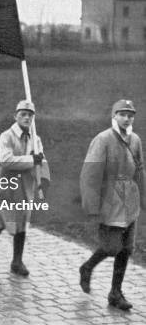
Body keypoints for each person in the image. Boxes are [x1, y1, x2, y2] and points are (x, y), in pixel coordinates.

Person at [79, 99, 146, 310]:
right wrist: (91, 205)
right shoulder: (103, 139)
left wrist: (143, 196)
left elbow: (140, 169)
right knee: (111, 247)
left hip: (129, 200)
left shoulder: (135, 139)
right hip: (109, 199)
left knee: (126, 249)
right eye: (122, 114)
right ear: (114, 116)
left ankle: (115, 293)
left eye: (130, 115)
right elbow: (90, 173)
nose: (127, 118)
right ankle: (87, 267)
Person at [0, 100, 50, 277]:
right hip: (7, 183)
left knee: (21, 222)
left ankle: (17, 261)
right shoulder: (7, 136)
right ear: (16, 116)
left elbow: (41, 160)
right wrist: (30, 160)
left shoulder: (36, 139)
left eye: (30, 115)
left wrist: (43, 178)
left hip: (26, 185)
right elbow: (6, 160)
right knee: (1, 219)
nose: (27, 118)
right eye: (23, 114)